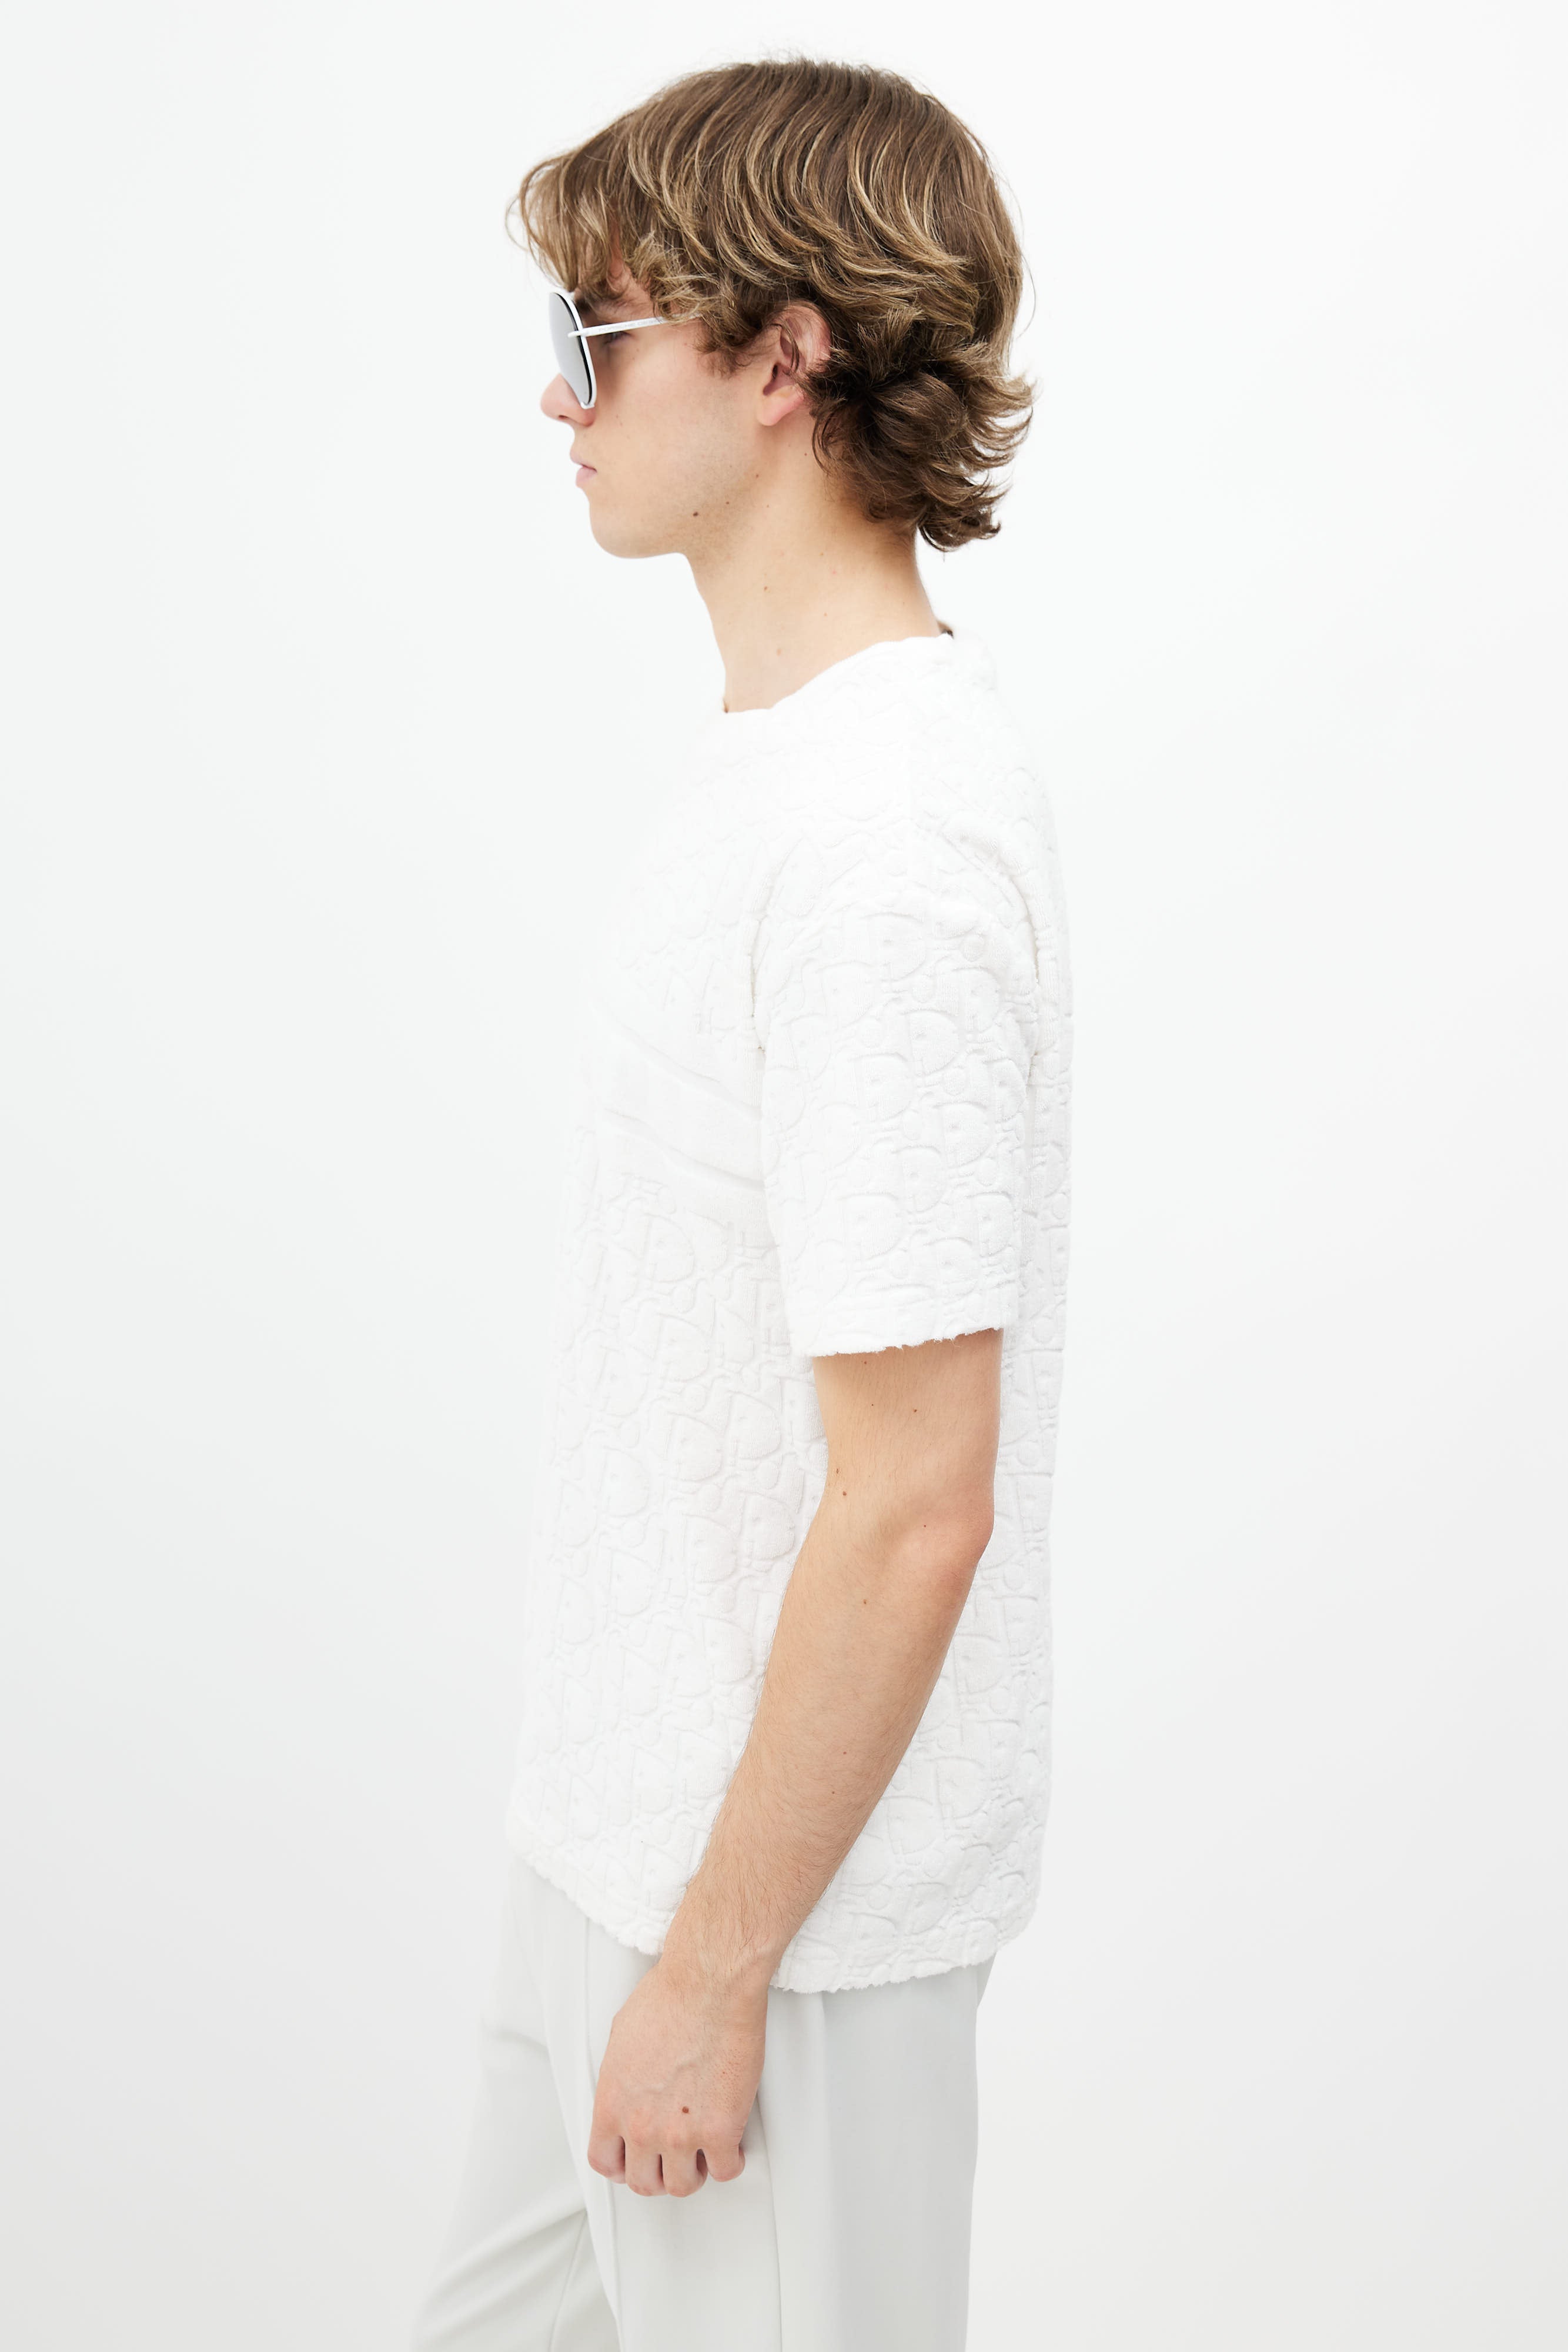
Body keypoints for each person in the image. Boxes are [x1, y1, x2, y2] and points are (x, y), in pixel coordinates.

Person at [412, 55, 1073, 2352]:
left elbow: (913, 1506)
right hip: (616, 1853)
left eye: (594, 337)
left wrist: (710, 1973)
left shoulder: (887, 846)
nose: (558, 398)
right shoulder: (783, 779)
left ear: (782, 358)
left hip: (769, 1944)